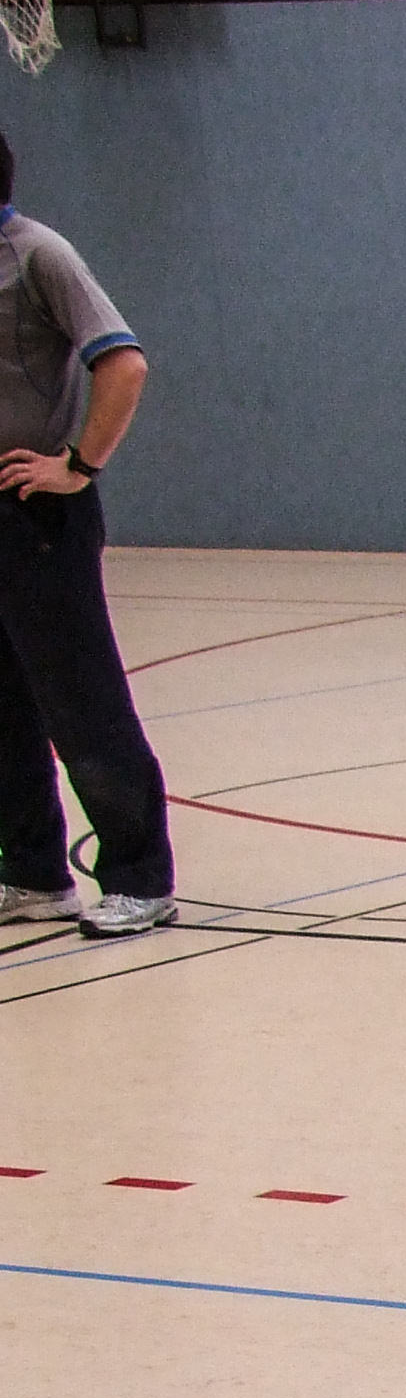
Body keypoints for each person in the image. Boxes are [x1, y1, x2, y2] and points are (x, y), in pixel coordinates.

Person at [0, 135, 171, 940]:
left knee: (81, 702)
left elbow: (124, 363)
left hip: (35, 516)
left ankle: (139, 878)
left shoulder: (39, 255)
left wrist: (78, 464)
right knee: (5, 707)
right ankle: (35, 873)